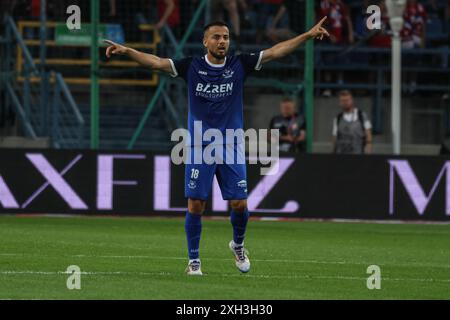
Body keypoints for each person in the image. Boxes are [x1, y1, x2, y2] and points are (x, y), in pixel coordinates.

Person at [105, 18, 329, 275]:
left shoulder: (239, 64)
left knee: (240, 205)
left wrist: (307, 35)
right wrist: (128, 51)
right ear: (205, 41)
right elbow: (156, 62)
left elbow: (276, 51)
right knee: (196, 205)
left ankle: (238, 244)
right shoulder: (191, 66)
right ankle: (193, 262)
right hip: (201, 144)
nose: (222, 41)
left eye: (225, 37)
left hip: (232, 144)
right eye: (216, 37)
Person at [332, 90, 373, 154]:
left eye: (347, 100)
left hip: (358, 155)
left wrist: (369, 145)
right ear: (340, 103)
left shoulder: (362, 115)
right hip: (341, 155)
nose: (345, 103)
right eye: (342, 101)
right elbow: (335, 137)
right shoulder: (338, 118)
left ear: (352, 100)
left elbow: (368, 132)